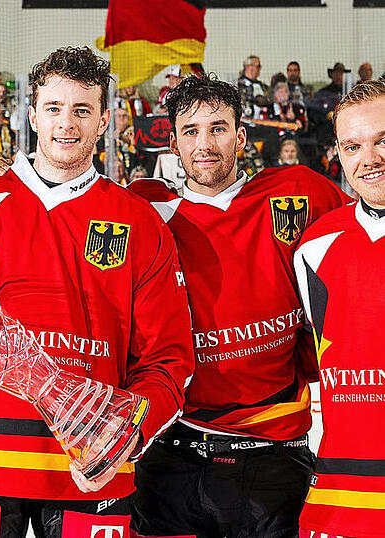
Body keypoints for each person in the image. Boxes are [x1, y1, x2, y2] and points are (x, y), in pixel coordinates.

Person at [0, 46, 194, 538]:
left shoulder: (139, 221)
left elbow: (168, 358)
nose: (67, 123)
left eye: (82, 109)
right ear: (32, 116)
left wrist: (129, 430)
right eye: (54, 108)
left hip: (91, 469)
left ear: (103, 121)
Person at [126, 74, 349, 538]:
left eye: (218, 128)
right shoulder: (145, 209)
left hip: (274, 455)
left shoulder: (299, 192)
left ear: (241, 136)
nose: (204, 144)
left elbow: (368, 226)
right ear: (173, 143)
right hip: (173, 453)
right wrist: (9, 173)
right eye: (191, 131)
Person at [292, 79, 385, 538]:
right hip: (341, 491)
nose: (369, 158)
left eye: (383, 140)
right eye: (353, 146)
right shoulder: (314, 245)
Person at [237, 55, 268, 119]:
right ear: (249, 67)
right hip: (245, 120)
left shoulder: (262, 86)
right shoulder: (238, 85)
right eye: (258, 66)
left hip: (263, 121)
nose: (259, 69)